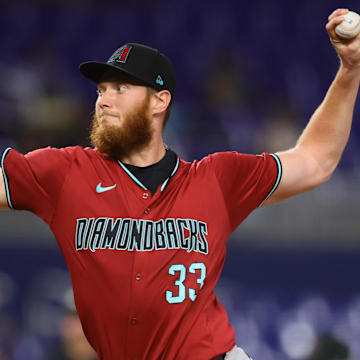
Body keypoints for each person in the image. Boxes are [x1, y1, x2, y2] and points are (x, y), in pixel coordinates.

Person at [0, 8, 358, 360]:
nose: (103, 101)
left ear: (160, 101)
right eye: (100, 91)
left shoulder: (216, 179)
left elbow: (315, 162)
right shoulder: (64, 173)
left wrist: (349, 70)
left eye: (120, 88)